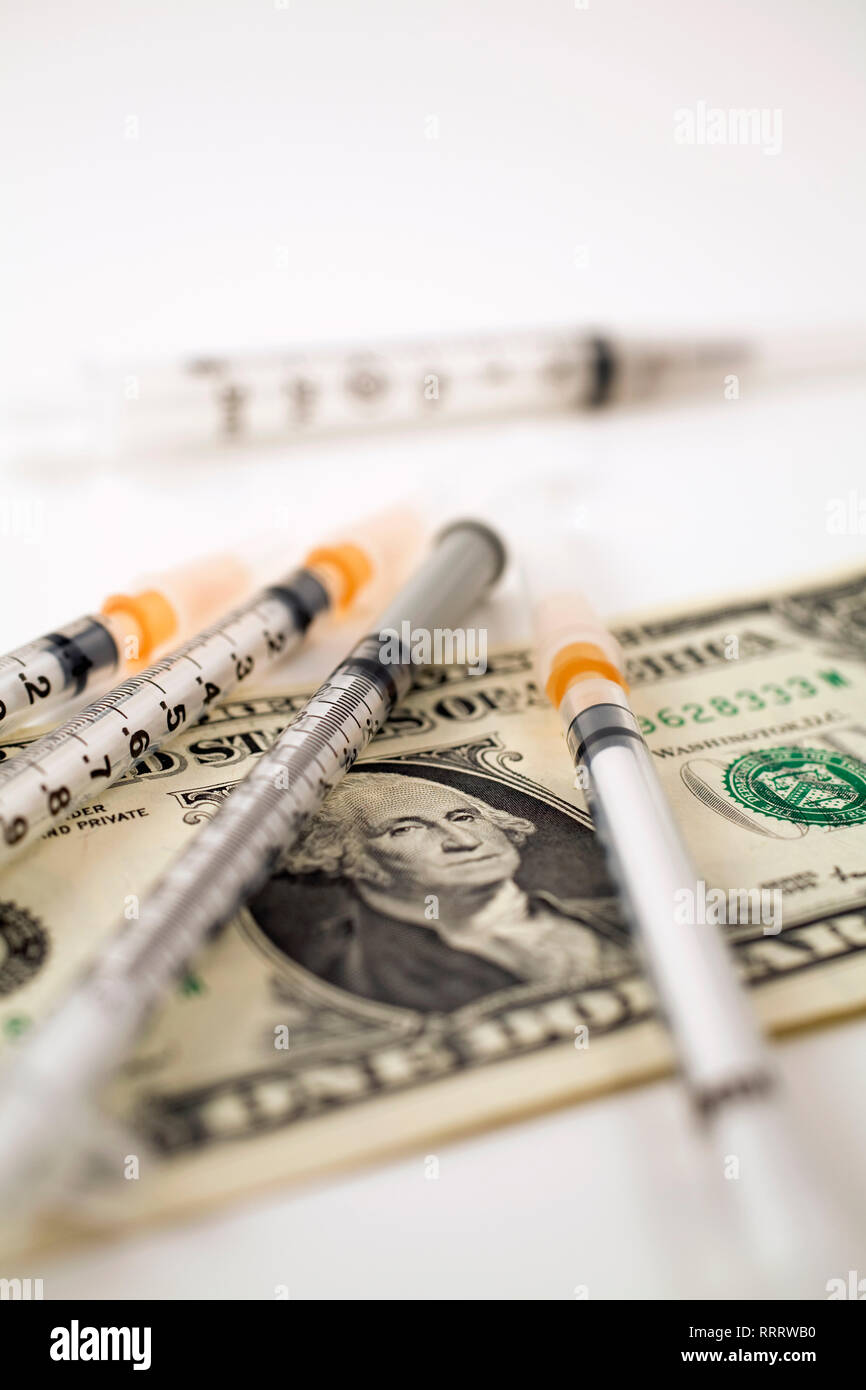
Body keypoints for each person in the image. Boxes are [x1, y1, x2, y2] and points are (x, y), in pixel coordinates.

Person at [254, 771, 628, 1011]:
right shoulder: (350, 975)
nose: (463, 841)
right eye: (405, 829)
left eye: (463, 818)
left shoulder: (619, 915)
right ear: (342, 856)